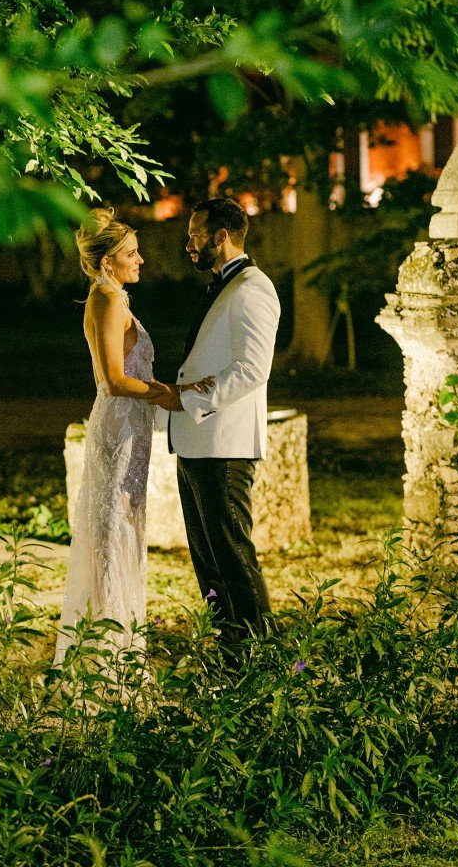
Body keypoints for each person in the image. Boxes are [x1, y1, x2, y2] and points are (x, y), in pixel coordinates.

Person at [54, 208, 211, 666]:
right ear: (108, 261)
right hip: (119, 429)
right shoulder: (106, 300)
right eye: (131, 253)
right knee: (112, 533)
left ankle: (118, 647)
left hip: (132, 428)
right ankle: (105, 654)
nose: (141, 260)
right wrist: (171, 395)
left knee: (123, 529)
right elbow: (112, 381)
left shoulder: (112, 297)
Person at [153, 197, 281, 660]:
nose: (189, 244)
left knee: (233, 557)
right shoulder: (224, 286)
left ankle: (265, 659)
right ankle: (231, 656)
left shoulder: (253, 288)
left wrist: (186, 399)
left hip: (225, 445)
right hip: (195, 442)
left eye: (195, 235)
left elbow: (252, 369)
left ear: (220, 236)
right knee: (209, 562)